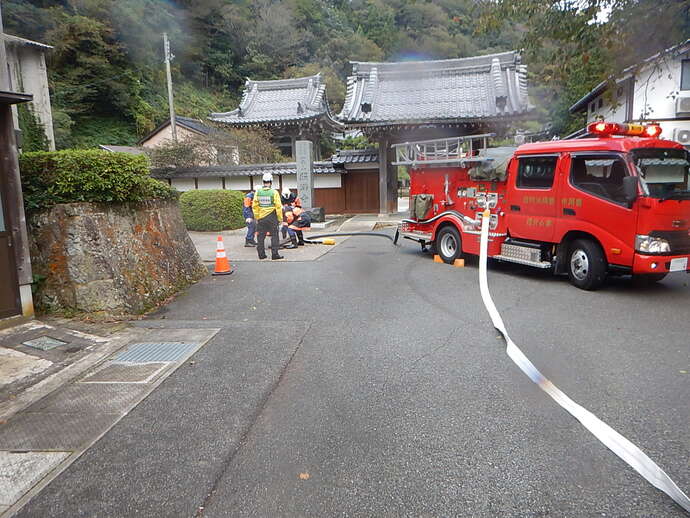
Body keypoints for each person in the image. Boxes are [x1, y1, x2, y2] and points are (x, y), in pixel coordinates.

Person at [252, 173, 284, 260]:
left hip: (261, 217)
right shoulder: (274, 192)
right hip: (272, 216)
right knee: (274, 235)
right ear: (271, 182)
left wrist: (257, 217)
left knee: (261, 237)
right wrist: (280, 219)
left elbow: (254, 206)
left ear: (263, 182)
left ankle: (261, 255)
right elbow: (278, 206)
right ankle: (275, 254)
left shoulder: (258, 192)